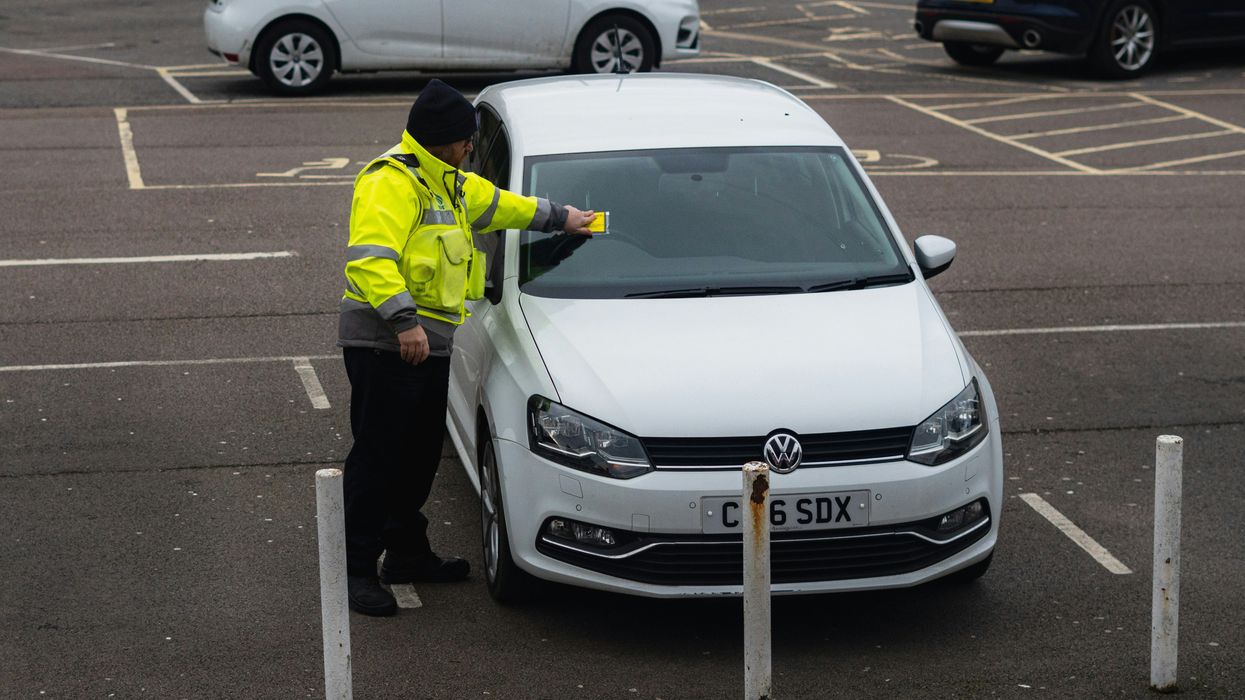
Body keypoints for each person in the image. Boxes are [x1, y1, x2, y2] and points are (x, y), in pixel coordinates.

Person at [337, 78, 596, 616]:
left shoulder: (450, 181)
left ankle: (406, 554)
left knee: (416, 458)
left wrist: (565, 218)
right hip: (387, 345)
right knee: (379, 458)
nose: (471, 147)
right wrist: (403, 322)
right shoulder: (392, 182)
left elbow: (503, 205)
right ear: (439, 141)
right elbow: (370, 259)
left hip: (426, 345)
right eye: (465, 140)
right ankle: (357, 570)